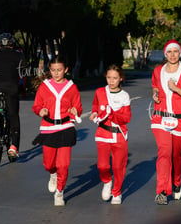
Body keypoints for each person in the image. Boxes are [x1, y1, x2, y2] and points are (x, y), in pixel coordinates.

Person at [151, 39, 181, 205]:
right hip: (160, 117)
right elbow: (155, 86)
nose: (172, 55)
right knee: (164, 151)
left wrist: (176, 89)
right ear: (165, 54)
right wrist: (155, 94)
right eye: (169, 52)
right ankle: (162, 191)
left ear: (180, 53)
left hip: (180, 120)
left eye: (175, 51)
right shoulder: (158, 71)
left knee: (176, 154)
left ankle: (176, 182)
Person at [32, 56, 83, 206]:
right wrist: (40, 110)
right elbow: (36, 105)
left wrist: (75, 110)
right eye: (53, 70)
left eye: (59, 70)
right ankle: (52, 174)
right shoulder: (44, 86)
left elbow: (78, 107)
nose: (56, 73)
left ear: (66, 70)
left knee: (63, 164)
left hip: (66, 127)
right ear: (50, 70)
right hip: (48, 128)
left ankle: (60, 192)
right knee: (48, 163)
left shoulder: (71, 87)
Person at [89, 65, 131, 205]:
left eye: (115, 78)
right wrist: (94, 113)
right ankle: (107, 181)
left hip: (119, 135)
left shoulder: (124, 96)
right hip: (103, 133)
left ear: (121, 79)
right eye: (109, 78)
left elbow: (126, 118)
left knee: (118, 167)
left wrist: (111, 114)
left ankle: (117, 192)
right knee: (102, 166)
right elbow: (95, 106)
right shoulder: (100, 92)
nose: (111, 81)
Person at [0, 33, 27, 159]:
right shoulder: (19, 56)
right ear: (12, 44)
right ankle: (13, 147)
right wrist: (25, 88)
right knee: (13, 116)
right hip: (11, 89)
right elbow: (24, 74)